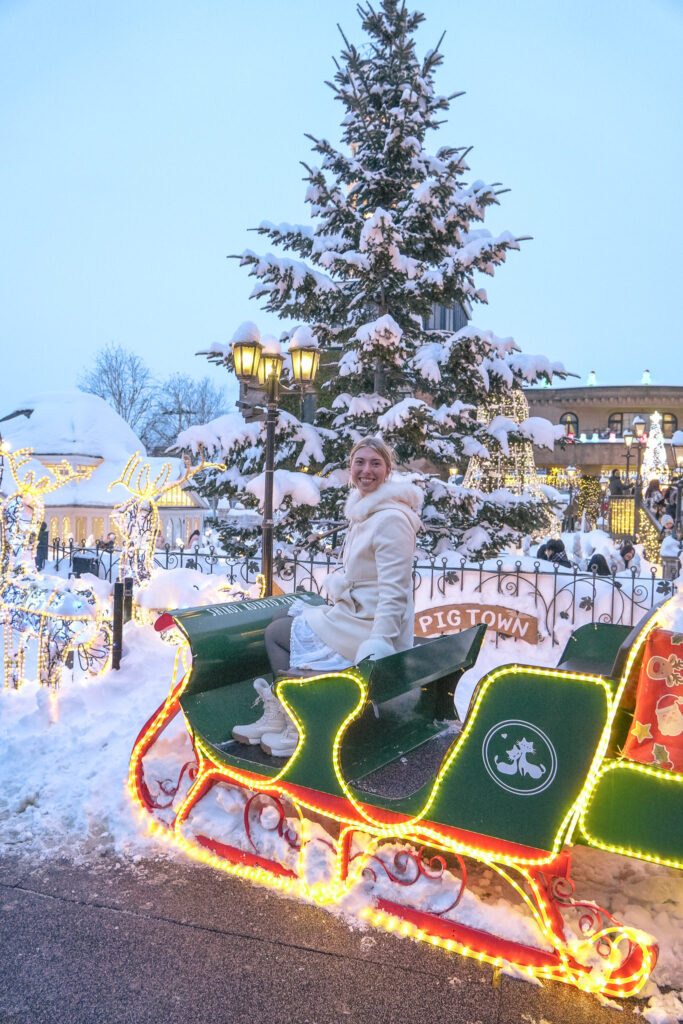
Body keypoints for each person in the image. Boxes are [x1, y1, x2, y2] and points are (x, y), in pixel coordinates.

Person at [232, 437, 423, 757]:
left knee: (275, 634)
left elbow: (395, 592)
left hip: (370, 629)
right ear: (350, 469)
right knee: (284, 618)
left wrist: (378, 647)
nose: (366, 470)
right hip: (355, 615)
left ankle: (298, 722)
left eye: (375, 463)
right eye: (359, 462)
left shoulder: (390, 519)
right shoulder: (367, 512)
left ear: (388, 471)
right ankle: (276, 718)